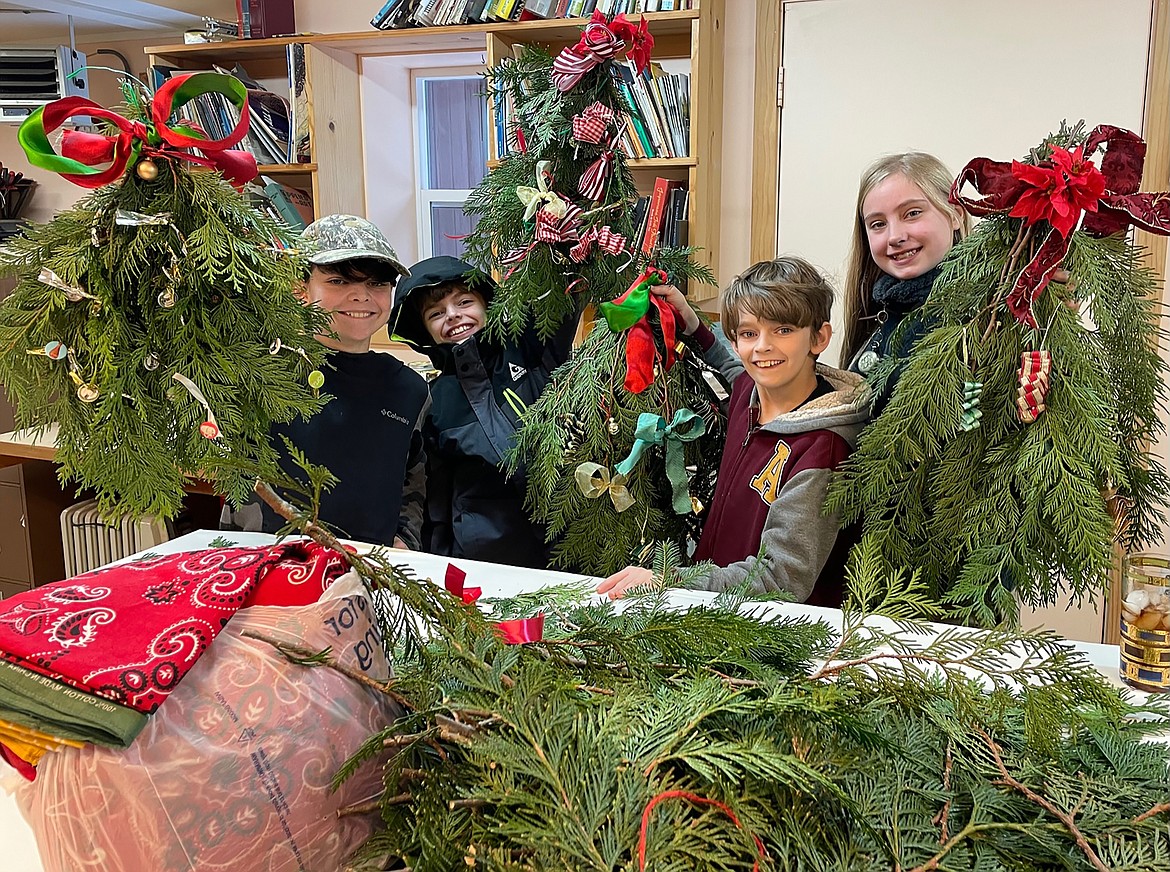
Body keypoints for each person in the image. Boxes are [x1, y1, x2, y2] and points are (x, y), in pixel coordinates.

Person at [597, 257, 871, 605]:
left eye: (783, 330)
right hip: (713, 600)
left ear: (819, 338)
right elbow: (727, 365)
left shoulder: (822, 450)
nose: (762, 347)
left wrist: (668, 580)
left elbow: (780, 577)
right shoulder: (748, 393)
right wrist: (692, 323)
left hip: (764, 629)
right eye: (748, 333)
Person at [221, 215, 430, 548]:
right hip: (266, 566)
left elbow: (413, 481)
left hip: (369, 574)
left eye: (377, 284)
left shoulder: (410, 389)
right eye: (339, 281)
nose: (361, 296)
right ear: (301, 288)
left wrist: (404, 539)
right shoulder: (260, 370)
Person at [390, 255, 577, 568]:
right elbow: (436, 499)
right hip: (486, 562)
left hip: (570, 549)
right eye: (436, 313)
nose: (452, 315)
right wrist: (445, 562)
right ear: (425, 331)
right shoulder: (436, 401)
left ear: (487, 303)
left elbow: (567, 293)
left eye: (464, 302)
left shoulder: (530, 351)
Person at [840, 152, 969, 396]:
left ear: (955, 215)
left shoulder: (991, 310)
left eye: (912, 213)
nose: (895, 236)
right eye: (878, 224)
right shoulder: (879, 312)